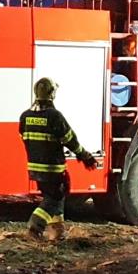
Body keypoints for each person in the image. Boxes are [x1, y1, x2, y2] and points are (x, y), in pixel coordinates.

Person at [19, 77, 98, 241]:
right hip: (53, 168)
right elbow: (70, 140)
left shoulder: (25, 116)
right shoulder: (54, 116)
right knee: (53, 199)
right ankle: (35, 227)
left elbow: (24, 137)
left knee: (57, 197)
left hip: (35, 168)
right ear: (52, 94)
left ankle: (58, 231)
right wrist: (85, 156)